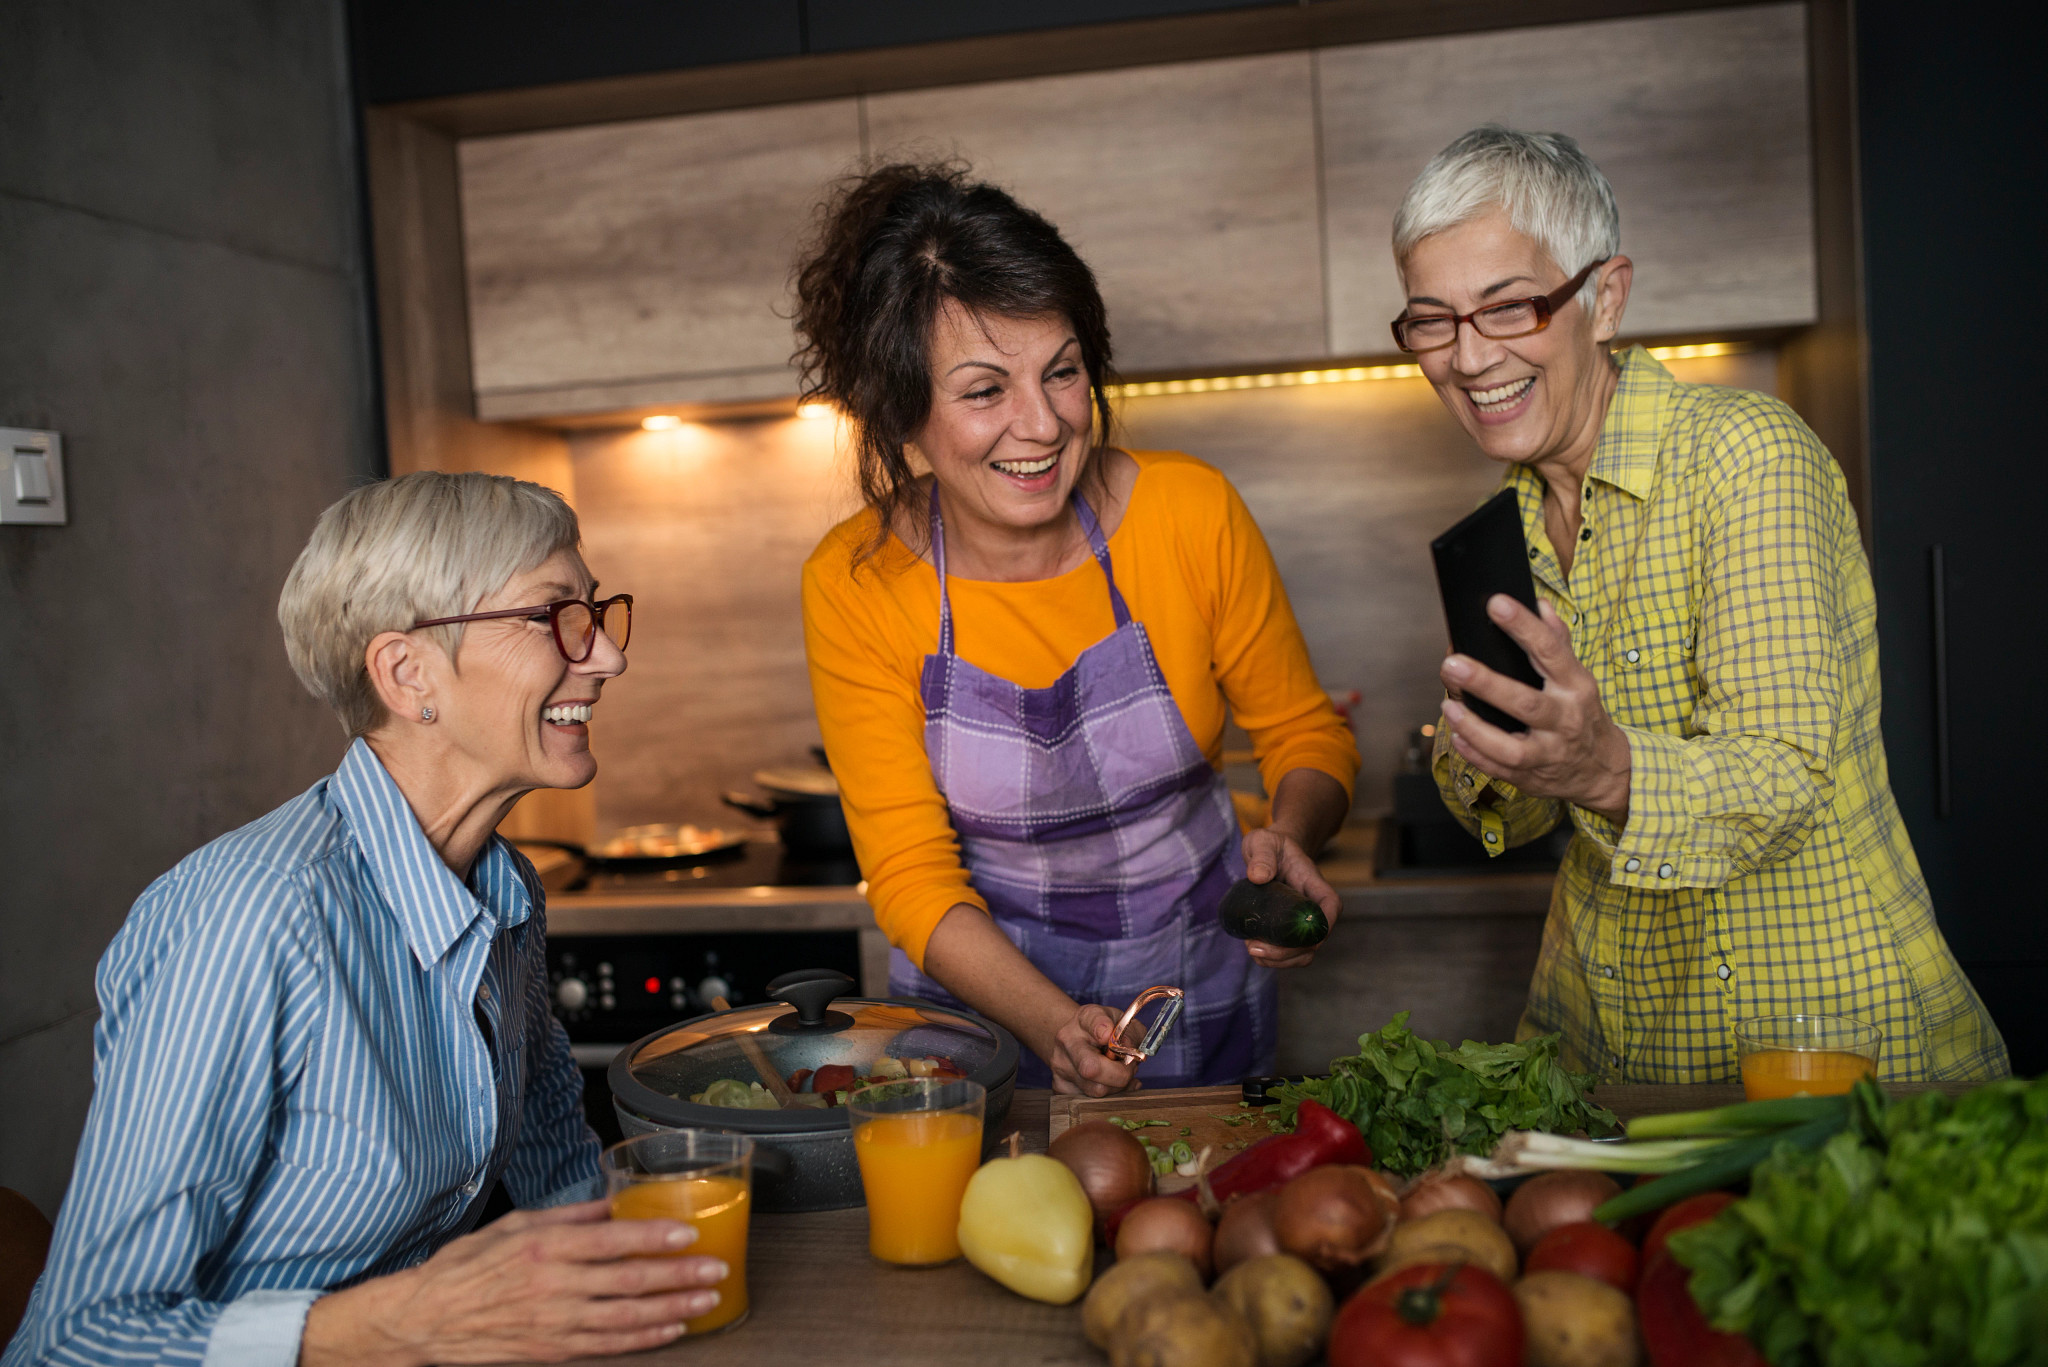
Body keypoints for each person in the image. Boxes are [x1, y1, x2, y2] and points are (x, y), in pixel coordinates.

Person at [5, 473, 725, 1367]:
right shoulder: (252, 920)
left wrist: (647, 1278)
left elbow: (551, 1155)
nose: (607, 658)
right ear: (406, 671)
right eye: (554, 617)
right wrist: (396, 1327)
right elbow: (79, 1339)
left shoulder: (505, 889)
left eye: (596, 613)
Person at [1397, 126, 2007, 1083]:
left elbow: (1784, 771)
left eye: (1508, 308)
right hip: (1600, 1057)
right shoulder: (1501, 528)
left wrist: (1601, 767)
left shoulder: (1744, 456)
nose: (1469, 359)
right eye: (1432, 320)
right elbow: (1505, 817)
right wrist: (1490, 754)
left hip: (1824, 1064)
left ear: (1605, 299)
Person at [796, 163, 1360, 1096]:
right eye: (984, 391)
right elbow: (910, 874)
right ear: (899, 413)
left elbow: (1305, 734)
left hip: (1193, 984)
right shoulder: (856, 582)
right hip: (980, 1020)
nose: (1044, 422)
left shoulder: (1190, 512)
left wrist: (1293, 836)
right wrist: (1051, 1022)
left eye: (1062, 371)